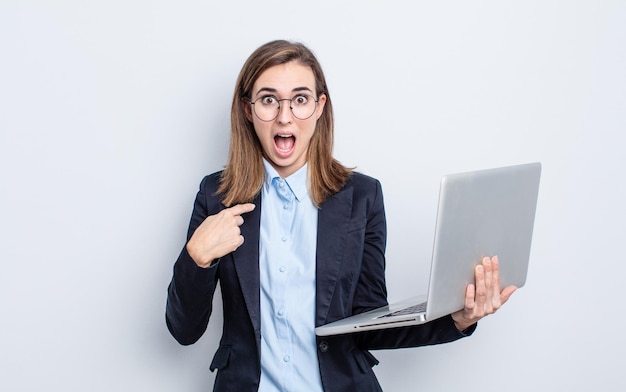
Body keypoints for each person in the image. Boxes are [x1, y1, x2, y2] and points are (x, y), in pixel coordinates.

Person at [165, 39, 516, 392]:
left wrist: (458, 318)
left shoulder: (362, 197)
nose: (284, 116)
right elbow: (184, 330)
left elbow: (371, 321)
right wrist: (197, 257)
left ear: (319, 107)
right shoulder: (217, 196)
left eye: (300, 100)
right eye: (269, 100)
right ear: (247, 109)